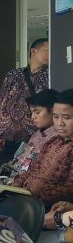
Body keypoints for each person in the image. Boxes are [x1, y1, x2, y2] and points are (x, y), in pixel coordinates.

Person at [13, 88, 73, 229]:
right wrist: (13, 188)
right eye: (56, 117)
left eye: (66, 117)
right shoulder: (52, 142)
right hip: (28, 202)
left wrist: (33, 194)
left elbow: (68, 189)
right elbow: (32, 171)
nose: (60, 123)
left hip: (50, 210)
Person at [0, 38, 50, 162]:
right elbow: (2, 104)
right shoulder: (13, 75)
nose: (50, 55)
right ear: (34, 51)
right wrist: (1, 133)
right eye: (47, 51)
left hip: (36, 135)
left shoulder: (51, 76)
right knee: (8, 169)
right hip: (10, 136)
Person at [0, 88, 58, 184]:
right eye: (32, 113)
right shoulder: (36, 135)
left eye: (37, 112)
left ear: (53, 111)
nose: (32, 117)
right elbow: (21, 162)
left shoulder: (58, 139)